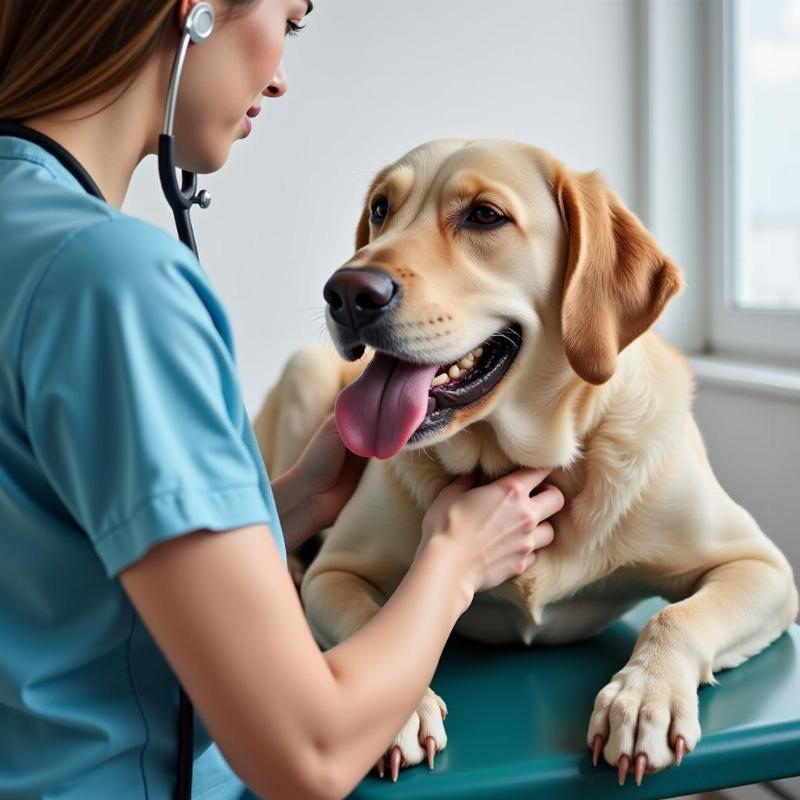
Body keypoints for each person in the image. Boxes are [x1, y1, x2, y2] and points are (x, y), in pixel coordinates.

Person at [0, 1, 565, 798]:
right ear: (192, 13)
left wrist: (293, 502)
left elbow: (49, 583)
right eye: (289, 20)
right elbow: (309, 754)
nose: (281, 77)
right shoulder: (112, 282)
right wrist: (454, 561)